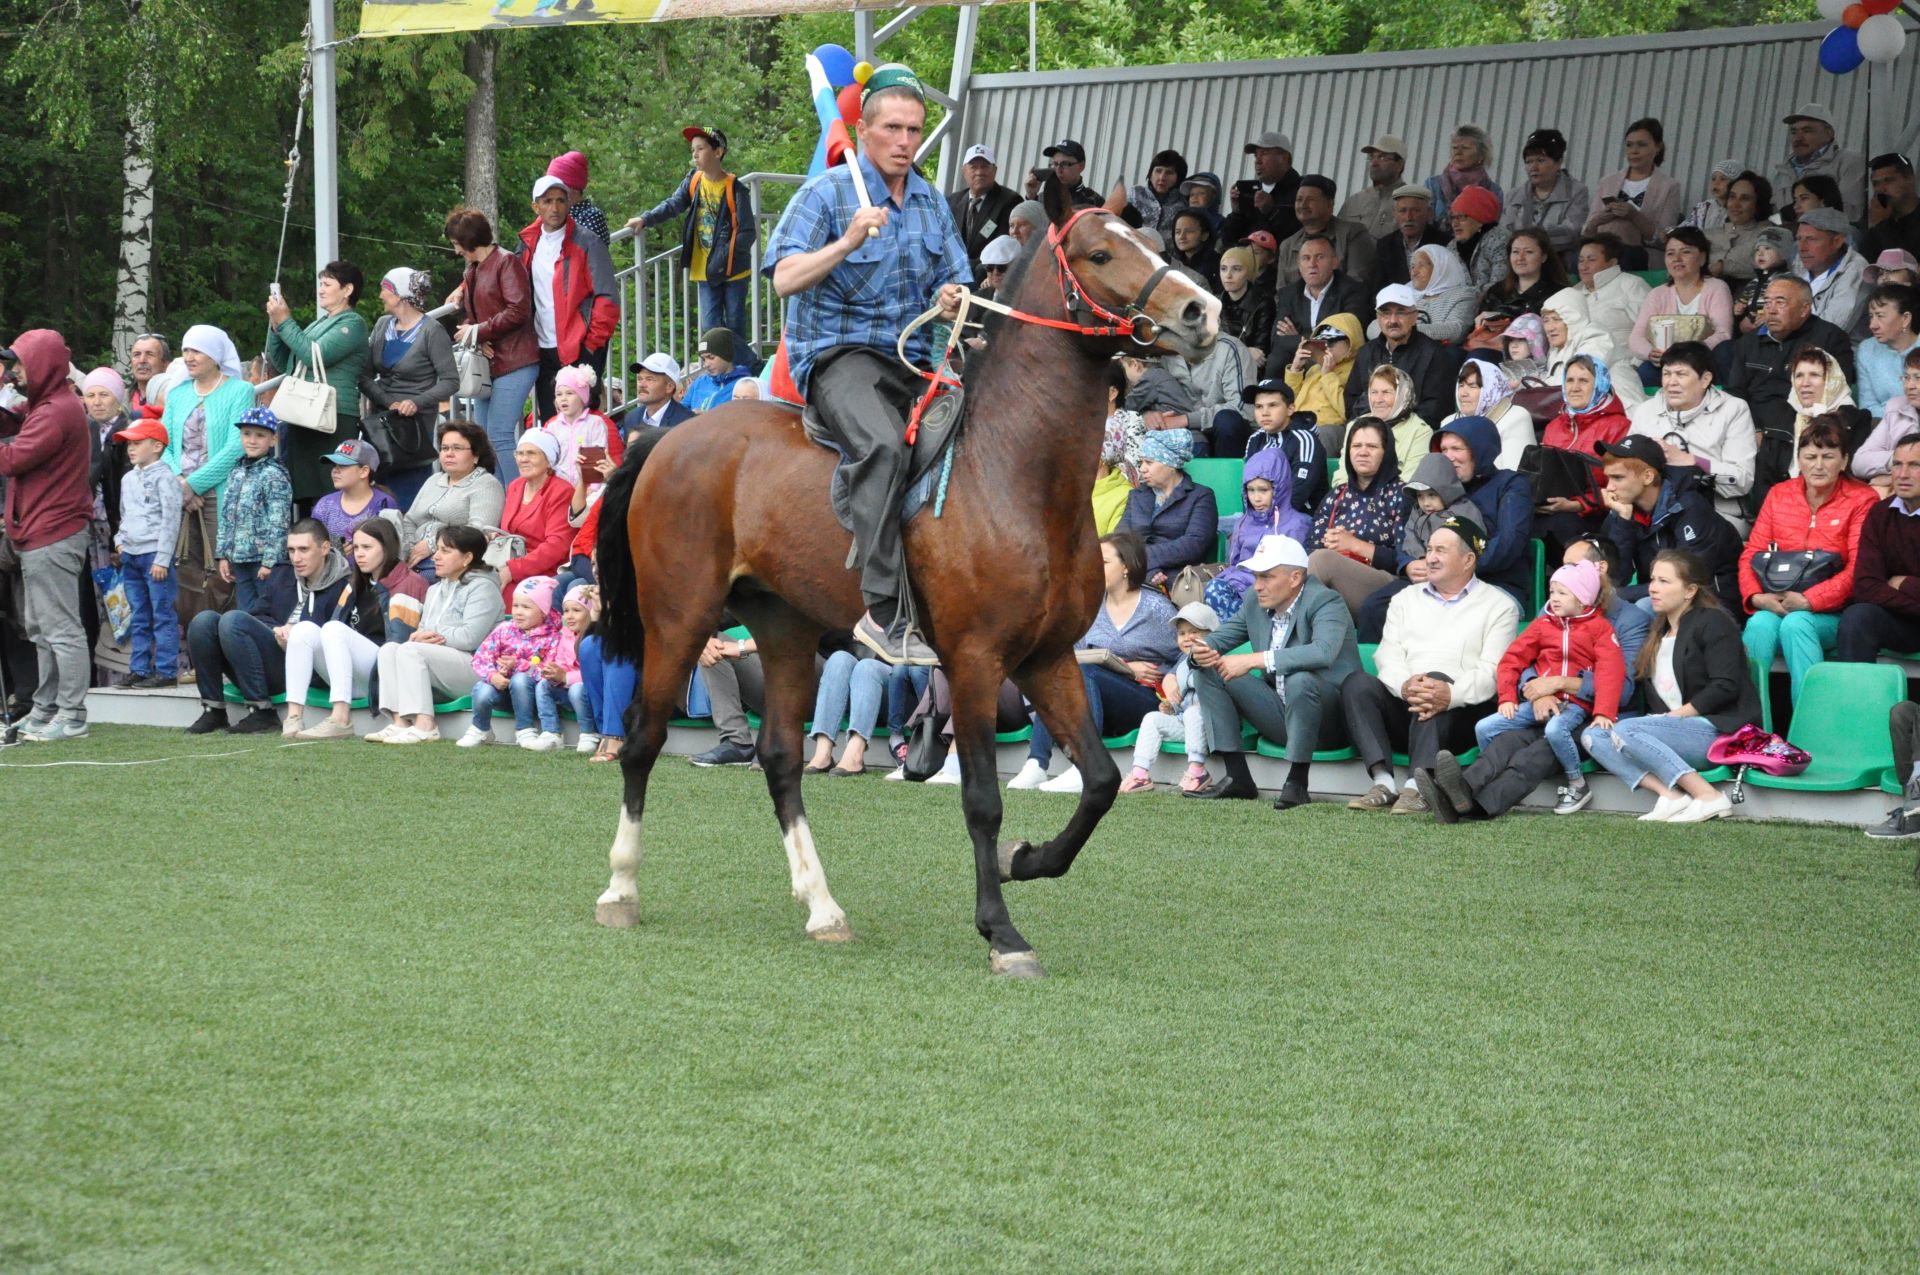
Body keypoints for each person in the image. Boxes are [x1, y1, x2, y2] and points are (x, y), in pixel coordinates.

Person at [762, 64, 972, 665]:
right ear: (862, 131)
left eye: (914, 130)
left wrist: (951, 296)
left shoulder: (930, 200)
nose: (905, 141)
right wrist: (848, 241)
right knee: (882, 445)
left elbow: (953, 276)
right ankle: (883, 612)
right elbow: (783, 280)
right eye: (893, 128)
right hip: (839, 353)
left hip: (914, 352)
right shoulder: (826, 194)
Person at [1420, 535, 1650, 822]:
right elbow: (1524, 660)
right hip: (1546, 707)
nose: (1562, 578)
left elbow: (1623, 689)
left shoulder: (1630, 621)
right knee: (1505, 743)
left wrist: (1559, 683)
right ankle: (1458, 792)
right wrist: (1539, 692)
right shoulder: (1554, 609)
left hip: (1592, 717)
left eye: (1573, 567)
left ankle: (1479, 807)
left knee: (1535, 752)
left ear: (1599, 570)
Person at [1342, 516, 1521, 814]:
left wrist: (1449, 694)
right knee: (1357, 683)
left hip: (1461, 714)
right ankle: (1384, 782)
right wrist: (1405, 685)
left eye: (1441, 550)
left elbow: (1493, 671)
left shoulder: (1499, 605)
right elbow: (1388, 655)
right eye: (1429, 549)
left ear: (1468, 559)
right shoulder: (1404, 598)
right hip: (1408, 702)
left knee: (1436, 683)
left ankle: (1417, 786)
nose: (1431, 558)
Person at [1186, 533, 1362, 809]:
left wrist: (1255, 660)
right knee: (1209, 669)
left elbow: (1322, 652)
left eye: (1266, 577)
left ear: (1295, 578)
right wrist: (1200, 650)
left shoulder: (1327, 601)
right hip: (1280, 713)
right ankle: (1238, 778)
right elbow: (1217, 639)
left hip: (1329, 723)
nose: (1257, 586)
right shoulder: (1254, 602)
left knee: (1300, 679)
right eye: (1256, 577)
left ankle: (1297, 782)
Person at [1580, 550, 1758, 822]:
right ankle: (1672, 796)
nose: (1653, 588)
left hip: (1718, 731)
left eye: (1664, 581)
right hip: (1669, 731)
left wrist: (1673, 717)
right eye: (1652, 580)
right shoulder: (1659, 631)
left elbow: (1726, 685)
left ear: (1690, 590)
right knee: (1594, 736)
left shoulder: (1713, 622)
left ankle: (1709, 797)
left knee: (1629, 729)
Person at [1008, 531, 1179, 794]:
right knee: (1062, 673)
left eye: (1104, 562)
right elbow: (1071, 656)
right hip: (1095, 699)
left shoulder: (1156, 609)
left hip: (1144, 701)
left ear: (1127, 566)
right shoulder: (1090, 607)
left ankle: (1086, 766)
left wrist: (1172, 675)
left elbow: (1189, 650)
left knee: (1083, 672)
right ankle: (1036, 763)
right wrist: (1124, 667)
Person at [0, 332, 96, 740]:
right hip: (40, 531)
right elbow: (13, 420)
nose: (13, 373)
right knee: (41, 628)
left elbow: (13, 457)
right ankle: (44, 709)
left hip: (52, 532)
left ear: (40, 364)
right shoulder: (47, 405)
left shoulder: (56, 411)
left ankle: (72, 715)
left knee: (61, 629)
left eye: (19, 364)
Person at [1736, 420, 1875, 703]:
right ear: (1799, 459)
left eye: (1828, 457)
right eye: (1810, 457)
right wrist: (1758, 597)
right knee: (1760, 624)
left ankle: (1812, 728)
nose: (1818, 466)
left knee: (1796, 624)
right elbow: (1751, 553)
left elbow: (1858, 568)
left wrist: (1809, 601)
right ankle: (1748, 726)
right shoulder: (1779, 494)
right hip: (1776, 602)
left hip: (1834, 612)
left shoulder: (1862, 498)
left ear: (1845, 460)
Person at [1473, 558, 1624, 814]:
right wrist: (1507, 697)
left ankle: (1577, 782)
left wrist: (1603, 712)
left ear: (1582, 598)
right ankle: (1496, 778)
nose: (1554, 598)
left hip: (1574, 706)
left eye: (1562, 593)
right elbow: (1512, 659)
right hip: (1536, 703)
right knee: (1484, 727)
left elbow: (1611, 671)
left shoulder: (1599, 628)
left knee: (1555, 730)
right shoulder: (1542, 624)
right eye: (1552, 591)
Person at [182, 519, 349, 736]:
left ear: (325, 548)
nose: (296, 558)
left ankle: (262, 712)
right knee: (203, 622)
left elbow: (336, 637)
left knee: (233, 620)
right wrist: (278, 629)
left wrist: (296, 633)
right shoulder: (283, 573)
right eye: (291, 550)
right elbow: (258, 614)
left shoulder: (344, 584)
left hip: (308, 668)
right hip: (271, 653)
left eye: (304, 550)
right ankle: (213, 709)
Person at [282, 517, 427, 740]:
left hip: (383, 675)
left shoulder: (408, 583)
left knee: (333, 629)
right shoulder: (356, 582)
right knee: (303, 630)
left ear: (387, 548)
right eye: (356, 547)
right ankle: (293, 716)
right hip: (348, 674)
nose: (359, 554)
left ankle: (340, 718)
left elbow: (399, 645)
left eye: (367, 547)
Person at [1726, 276, 1856, 511]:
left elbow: (1833, 391)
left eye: (1780, 302)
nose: (1771, 310)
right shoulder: (1747, 343)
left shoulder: (1829, 338)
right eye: (1767, 302)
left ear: (1805, 308)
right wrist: (1751, 428)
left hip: (1802, 422)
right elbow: (1735, 393)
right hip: (1751, 425)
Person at [364, 525, 504, 744]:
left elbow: (470, 638)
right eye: (437, 549)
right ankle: (400, 723)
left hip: (478, 668)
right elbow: (423, 631)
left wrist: (430, 634)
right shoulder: (435, 589)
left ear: (467, 557)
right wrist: (418, 636)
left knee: (411, 650)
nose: (436, 557)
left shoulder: (483, 588)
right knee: (390, 649)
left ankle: (425, 725)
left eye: (445, 551)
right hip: (442, 663)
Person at [629, 126, 757, 354]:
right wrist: (646, 219)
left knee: (735, 326)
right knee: (710, 326)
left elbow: (747, 232)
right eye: (692, 150)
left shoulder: (735, 188)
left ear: (718, 152)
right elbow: (673, 204)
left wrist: (725, 258)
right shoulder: (694, 180)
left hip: (732, 270)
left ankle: (744, 372)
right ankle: (722, 373)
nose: (695, 155)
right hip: (704, 269)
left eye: (700, 149)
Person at [161, 324, 255, 611]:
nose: (189, 356)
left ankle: (223, 637)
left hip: (219, 496)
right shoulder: (178, 394)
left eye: (196, 351)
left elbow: (236, 446)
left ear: (215, 355)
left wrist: (193, 485)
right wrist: (179, 483)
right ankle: (189, 644)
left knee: (220, 572)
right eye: (185, 350)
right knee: (184, 571)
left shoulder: (240, 391)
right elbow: (161, 443)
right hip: (179, 496)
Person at [1598, 435, 1744, 614]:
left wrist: (1618, 594)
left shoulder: (1691, 508)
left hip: (1713, 604)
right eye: (1608, 479)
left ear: (1647, 477)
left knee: (1640, 608)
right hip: (1659, 597)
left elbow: (1684, 580)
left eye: (1618, 478)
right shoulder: (1624, 510)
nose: (1609, 487)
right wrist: (1623, 520)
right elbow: (1616, 578)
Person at [265, 261, 370, 502]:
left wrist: (285, 322)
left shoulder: (353, 323)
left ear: (348, 290)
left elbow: (315, 356)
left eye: (327, 284)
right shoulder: (319, 323)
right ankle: (309, 539)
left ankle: (334, 540)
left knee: (331, 490)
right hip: (303, 415)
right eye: (320, 284)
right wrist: (275, 326)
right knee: (304, 490)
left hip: (334, 417)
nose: (320, 289)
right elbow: (284, 362)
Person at [517, 175, 618, 422]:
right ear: (535, 206)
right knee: (552, 422)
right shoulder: (527, 243)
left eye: (561, 201)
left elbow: (608, 297)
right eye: (548, 201)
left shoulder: (588, 242)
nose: (555, 207)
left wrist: (592, 344)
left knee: (584, 421)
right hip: (543, 347)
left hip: (581, 347)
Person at [447, 208, 538, 480]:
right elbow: (481, 310)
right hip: (492, 364)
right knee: (484, 440)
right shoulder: (473, 270)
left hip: (517, 361)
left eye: (456, 244)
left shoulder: (507, 262)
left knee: (499, 436)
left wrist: (478, 331)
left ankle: (518, 500)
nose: (456, 251)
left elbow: (518, 310)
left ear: (469, 240)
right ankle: (497, 504)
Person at [1625, 341, 1755, 529]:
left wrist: (1691, 461)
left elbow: (1742, 480)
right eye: (1666, 374)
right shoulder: (1646, 411)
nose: (1671, 382)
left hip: (1717, 512)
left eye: (1681, 374)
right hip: (1654, 511)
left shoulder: (1733, 410)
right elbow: (1627, 467)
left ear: (1705, 379)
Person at [359, 266, 459, 486]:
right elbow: (364, 375)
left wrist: (415, 402)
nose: (380, 295)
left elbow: (451, 381)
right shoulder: (382, 325)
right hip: (382, 421)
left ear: (399, 295)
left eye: (384, 289)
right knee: (381, 482)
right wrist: (389, 402)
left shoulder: (432, 331)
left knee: (409, 484)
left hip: (414, 426)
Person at [1115, 601, 1218, 795]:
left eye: (1194, 631)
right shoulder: (1183, 661)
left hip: (1213, 724)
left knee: (1193, 713)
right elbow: (1178, 691)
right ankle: (1140, 773)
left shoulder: (1217, 657)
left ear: (1212, 633)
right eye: (1182, 633)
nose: (1187, 638)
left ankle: (1198, 771)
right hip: (1187, 723)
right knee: (1152, 718)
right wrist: (1172, 705)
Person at [109, 416, 182, 690]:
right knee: (138, 614)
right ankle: (138, 668)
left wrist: (163, 558)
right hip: (132, 555)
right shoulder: (128, 478)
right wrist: (119, 541)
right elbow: (124, 515)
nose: (130, 448)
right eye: (129, 443)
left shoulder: (166, 478)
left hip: (154, 557)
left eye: (137, 443)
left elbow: (171, 520)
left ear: (157, 446)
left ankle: (165, 670)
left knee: (162, 613)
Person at [1307, 418, 1406, 616]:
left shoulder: (1403, 494)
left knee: (1323, 560)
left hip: (1385, 587)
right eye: (1356, 445)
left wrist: (1354, 545)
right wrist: (1331, 541)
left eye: (1372, 446)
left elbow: (1406, 560)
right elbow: (1313, 546)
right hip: (1336, 583)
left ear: (1386, 452)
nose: (1363, 452)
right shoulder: (1337, 496)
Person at [459, 574, 564, 750]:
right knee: (481, 689)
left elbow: (548, 672)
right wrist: (493, 676)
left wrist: (518, 665)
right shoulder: (504, 630)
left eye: (526, 607)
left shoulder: (552, 637)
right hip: (501, 690)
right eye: (515, 605)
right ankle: (480, 728)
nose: (518, 611)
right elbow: (480, 658)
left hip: (528, 696)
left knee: (520, 679)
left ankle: (525, 729)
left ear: (543, 611)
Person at [1202, 448, 1309, 621]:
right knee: (1215, 589)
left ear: (1279, 488)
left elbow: (1296, 573)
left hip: (1274, 591)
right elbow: (1235, 564)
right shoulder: (1243, 523)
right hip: (1241, 589)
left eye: (1263, 490)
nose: (1256, 498)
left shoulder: (1297, 524)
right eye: (1251, 490)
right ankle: (1234, 637)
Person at [1841, 431, 1920, 662]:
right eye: (1897, 464)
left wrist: (1903, 582)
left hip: (1900, 607)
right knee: (1858, 617)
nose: (1903, 474)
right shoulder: (1879, 513)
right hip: (1901, 621)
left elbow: (1878, 587)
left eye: (1915, 465)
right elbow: (1865, 586)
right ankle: (1856, 699)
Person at [396, 420, 506, 579]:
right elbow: (410, 520)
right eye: (445, 448)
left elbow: (478, 531)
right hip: (414, 557)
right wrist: (409, 549)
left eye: (457, 448)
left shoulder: (486, 484)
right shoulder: (434, 480)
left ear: (475, 455)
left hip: (454, 565)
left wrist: (431, 545)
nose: (449, 453)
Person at [1628, 227, 1734, 387]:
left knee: (1726, 352)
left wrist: (1692, 351)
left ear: (1703, 258)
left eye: (1685, 252)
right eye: (1670, 253)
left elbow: (1723, 334)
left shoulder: (1717, 287)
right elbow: (1636, 337)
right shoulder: (1657, 294)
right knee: (1642, 376)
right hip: (1668, 363)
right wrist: (1650, 353)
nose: (1677, 258)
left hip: (1704, 361)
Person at [214, 407, 294, 612]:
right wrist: (223, 554)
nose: (252, 440)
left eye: (260, 435)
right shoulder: (236, 472)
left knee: (266, 612)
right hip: (239, 559)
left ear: (273, 440)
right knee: (244, 611)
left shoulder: (273, 474)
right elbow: (226, 516)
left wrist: (270, 561)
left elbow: (280, 521)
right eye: (247, 434)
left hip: (262, 561)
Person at [1344, 284, 1457, 427]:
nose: (1392, 320)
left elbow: (1436, 409)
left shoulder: (1433, 354)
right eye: (1385, 313)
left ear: (1415, 316)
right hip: (1369, 431)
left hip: (1412, 435)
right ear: (1378, 317)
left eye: (1401, 312)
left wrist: (1396, 426)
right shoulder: (1366, 353)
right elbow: (1352, 402)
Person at [1117, 429, 1219, 587]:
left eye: (1149, 462)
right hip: (1137, 572)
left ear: (1171, 465)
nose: (1142, 469)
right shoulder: (1137, 495)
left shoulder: (1201, 496)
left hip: (1179, 577)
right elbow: (1120, 538)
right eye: (1141, 462)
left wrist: (1142, 559)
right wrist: (1147, 570)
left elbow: (1194, 544)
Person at [1583, 117, 1681, 265]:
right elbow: (1587, 230)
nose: (1634, 151)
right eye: (1629, 145)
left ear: (1657, 147)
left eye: (1641, 145)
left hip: (1642, 257)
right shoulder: (1607, 181)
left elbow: (1665, 238)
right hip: (1602, 255)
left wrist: (1635, 216)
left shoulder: (1669, 187)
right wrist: (1599, 219)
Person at [1271, 235, 1373, 367]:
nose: (1312, 264)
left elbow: (1343, 338)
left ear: (1335, 262)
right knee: (1276, 358)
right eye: (1306, 258)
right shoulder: (1289, 293)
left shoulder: (1353, 291)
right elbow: (1277, 338)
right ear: (1299, 266)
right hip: (1299, 360)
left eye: (1320, 257)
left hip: (1337, 363)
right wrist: (1313, 342)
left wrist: (1299, 338)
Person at [494, 428, 573, 597]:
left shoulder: (562, 491)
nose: (523, 459)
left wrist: (512, 570)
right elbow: (509, 531)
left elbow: (556, 546)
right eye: (520, 453)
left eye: (531, 453)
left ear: (549, 460)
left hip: (543, 570)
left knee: (501, 592)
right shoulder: (516, 485)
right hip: (509, 560)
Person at [1572, 234, 1652, 387]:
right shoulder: (1573, 294)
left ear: (1612, 262)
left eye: (1591, 260)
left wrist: (1633, 366)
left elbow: (1651, 331)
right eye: (1581, 260)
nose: (1583, 266)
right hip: (1578, 370)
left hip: (1621, 369)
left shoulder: (1631, 285)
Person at [1280, 315, 1362, 459]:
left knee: (1324, 434)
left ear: (1350, 341)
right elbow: (1289, 401)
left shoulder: (1356, 370)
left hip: (1331, 429)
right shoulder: (1314, 369)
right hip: (1300, 425)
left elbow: (1347, 411)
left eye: (1331, 343)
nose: (1326, 348)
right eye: (1321, 343)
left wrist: (1327, 376)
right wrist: (1296, 369)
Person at [1773, 102, 1867, 224]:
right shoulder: (1783, 172)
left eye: (1807, 130)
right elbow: (1774, 216)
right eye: (1794, 132)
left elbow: (1851, 213)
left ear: (1829, 134)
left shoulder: (1849, 162)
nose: (1798, 138)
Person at [1504, 129, 1591, 261]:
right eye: (1528, 162)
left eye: (1540, 160)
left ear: (1559, 161)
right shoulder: (1514, 195)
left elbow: (1572, 233)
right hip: (1518, 260)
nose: (1533, 167)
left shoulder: (1576, 192)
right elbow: (1505, 232)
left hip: (1557, 260)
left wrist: (1532, 245)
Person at [1276, 176, 1376, 289]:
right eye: (1299, 200)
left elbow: (1357, 285)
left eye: (1310, 200)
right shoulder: (1288, 245)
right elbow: (1281, 294)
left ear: (1330, 204)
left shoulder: (1352, 234)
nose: (1303, 205)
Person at [1336, 365, 1430, 484]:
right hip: (1352, 499)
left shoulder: (1420, 431)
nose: (1378, 399)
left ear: (1402, 394)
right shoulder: (1355, 425)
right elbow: (1342, 475)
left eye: (1386, 392)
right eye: (1374, 392)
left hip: (1395, 500)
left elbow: (1410, 480)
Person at [539, 583, 599, 755]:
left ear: (590, 612)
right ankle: (551, 733)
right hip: (569, 688)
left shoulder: (595, 637)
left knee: (577, 689)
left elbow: (594, 675)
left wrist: (565, 677)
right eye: (566, 611)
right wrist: (553, 672)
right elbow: (561, 662)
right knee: (543, 685)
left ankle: (589, 733)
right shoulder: (565, 634)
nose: (569, 616)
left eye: (576, 610)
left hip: (588, 694)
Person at [1444, 357, 1532, 472]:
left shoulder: (1516, 418)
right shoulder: (1448, 423)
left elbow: (1514, 474)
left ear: (1491, 389)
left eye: (1472, 386)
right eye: (1461, 386)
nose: (1463, 393)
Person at [950, 144, 1023, 279]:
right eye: (973, 167)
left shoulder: (1010, 201)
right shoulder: (952, 202)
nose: (979, 172)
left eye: (985, 166)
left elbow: (1003, 250)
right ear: (964, 170)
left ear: (994, 170)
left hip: (985, 279)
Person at [1222, 130, 1302, 248]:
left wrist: (1272, 212)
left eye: (1264, 153)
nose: (1257, 161)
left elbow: (1297, 238)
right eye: (1256, 155)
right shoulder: (1251, 192)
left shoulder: (1302, 192)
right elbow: (1228, 242)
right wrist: (1236, 213)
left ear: (1284, 158)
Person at [311, 438, 395, 548]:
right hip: (332, 565)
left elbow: (389, 550)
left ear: (364, 471)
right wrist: (337, 554)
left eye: (343, 465)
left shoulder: (384, 503)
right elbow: (313, 547)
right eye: (334, 465)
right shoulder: (324, 504)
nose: (335, 470)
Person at [1389, 243, 1477, 344]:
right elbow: (1375, 325)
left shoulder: (1463, 295)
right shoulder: (1404, 294)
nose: (1414, 272)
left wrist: (1405, 330)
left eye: (1421, 265)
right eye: (1412, 267)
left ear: (1441, 267)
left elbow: (1456, 330)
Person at [1857, 286, 1919, 422]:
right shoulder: (1867, 350)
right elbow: (1867, 407)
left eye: (1880, 316)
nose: (1872, 325)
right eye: (1871, 316)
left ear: (1906, 318)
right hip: (1884, 428)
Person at [1094, 364, 1143, 535]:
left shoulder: (1131, 421)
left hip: (1117, 493)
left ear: (1112, 393)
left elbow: (1133, 471)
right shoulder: (1082, 421)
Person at [1371, 185, 1448, 290]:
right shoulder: (1385, 245)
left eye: (1416, 211)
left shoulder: (1443, 244)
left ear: (1429, 213)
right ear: (1394, 213)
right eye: (1402, 211)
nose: (1408, 217)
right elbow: (1377, 288)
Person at [1481, 226, 1568, 319]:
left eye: (1528, 252)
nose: (1520, 258)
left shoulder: (1559, 294)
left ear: (1543, 257)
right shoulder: (1496, 292)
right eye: (1515, 252)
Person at [1541, 287, 1616, 386]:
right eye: (1546, 321)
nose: (1550, 328)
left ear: (1573, 319)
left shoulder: (1596, 337)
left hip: (1618, 398)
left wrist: (1537, 386)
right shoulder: (1556, 350)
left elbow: (1578, 375)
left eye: (1557, 319)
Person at [1445, 185, 1513, 295]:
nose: (1455, 223)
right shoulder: (1452, 247)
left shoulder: (1499, 239)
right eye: (1453, 217)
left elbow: (1499, 284)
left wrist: (1463, 296)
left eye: (1461, 217)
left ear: (1480, 217)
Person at [1709, 173, 1774, 284]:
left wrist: (1723, 267)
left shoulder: (1768, 234)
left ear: (1758, 204)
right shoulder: (1711, 234)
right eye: (1732, 197)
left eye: (1745, 199)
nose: (1735, 204)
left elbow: (1765, 265)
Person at [1341, 134, 1409, 240]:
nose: (1374, 163)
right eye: (1371, 157)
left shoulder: (1410, 202)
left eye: (1382, 157)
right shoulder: (1354, 201)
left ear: (1399, 165)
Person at [1214, 248, 1274, 369]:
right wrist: (1244, 350)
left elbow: (1260, 354)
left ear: (1249, 272)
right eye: (1223, 269)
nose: (1228, 275)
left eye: (1236, 269)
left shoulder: (1263, 303)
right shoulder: (1214, 303)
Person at [1731, 226, 1796, 336]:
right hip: (1750, 327)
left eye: (1767, 248)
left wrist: (1768, 315)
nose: (1760, 254)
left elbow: (1787, 305)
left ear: (1784, 253)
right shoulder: (1754, 282)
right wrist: (1738, 307)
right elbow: (1743, 299)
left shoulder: (1787, 280)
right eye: (1757, 250)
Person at [1425, 123, 1503, 214]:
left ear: (1481, 155)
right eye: (1454, 148)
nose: (1458, 153)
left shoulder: (1493, 191)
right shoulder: (1432, 185)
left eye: (1465, 148)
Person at [1864, 152, 1920, 263]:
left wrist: (1881, 225)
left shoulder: (1881, 222)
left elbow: (1907, 267)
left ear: (1910, 179)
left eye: (1888, 180)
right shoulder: (1880, 220)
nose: (1881, 189)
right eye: (1876, 184)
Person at [546, 150, 608, 245]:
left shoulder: (592, 217)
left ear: (572, 188)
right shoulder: (552, 213)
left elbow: (585, 255)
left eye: (556, 186)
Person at [1125, 147, 1189, 238]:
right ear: (1150, 174)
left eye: (1169, 173)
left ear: (1179, 178)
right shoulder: (1135, 194)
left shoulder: (1184, 202)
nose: (1162, 177)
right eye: (1158, 171)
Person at [625, 353, 695, 433]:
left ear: (669, 387)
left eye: (649, 379)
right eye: (640, 379)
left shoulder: (686, 422)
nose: (641, 385)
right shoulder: (632, 418)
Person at [1681, 158, 1744, 233]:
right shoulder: (1703, 208)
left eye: (1723, 179)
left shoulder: (1740, 211)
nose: (1716, 183)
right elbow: (1686, 228)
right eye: (1713, 179)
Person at [1166, 208, 1221, 288]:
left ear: (1204, 235)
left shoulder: (1218, 266)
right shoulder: (1173, 263)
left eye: (1189, 231)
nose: (1182, 237)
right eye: (1177, 232)